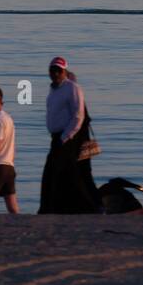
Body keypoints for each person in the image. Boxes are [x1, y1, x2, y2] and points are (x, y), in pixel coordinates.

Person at [39, 56, 102, 213]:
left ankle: (90, 208)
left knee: (67, 173)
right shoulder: (53, 90)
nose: (55, 73)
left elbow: (78, 116)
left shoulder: (72, 88)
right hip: (57, 137)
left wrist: (65, 137)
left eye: (58, 71)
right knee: (57, 173)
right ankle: (52, 208)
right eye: (52, 70)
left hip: (68, 138)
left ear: (65, 71)